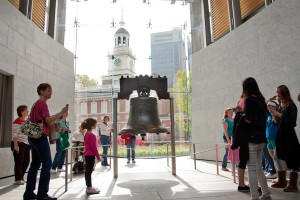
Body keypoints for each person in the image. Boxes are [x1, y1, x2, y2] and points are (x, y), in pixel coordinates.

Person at [23, 83, 68, 200]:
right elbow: (48, 121)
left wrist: (57, 117)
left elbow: (44, 120)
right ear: (42, 91)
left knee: (35, 165)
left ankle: (29, 193)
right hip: (40, 137)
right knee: (47, 163)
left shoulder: (36, 104)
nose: (51, 92)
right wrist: (61, 112)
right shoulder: (42, 104)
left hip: (33, 138)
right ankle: (42, 194)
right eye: (48, 90)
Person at [241, 77, 271, 200]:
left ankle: (255, 197)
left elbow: (248, 119)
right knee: (259, 169)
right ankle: (266, 194)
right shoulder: (261, 100)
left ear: (246, 88)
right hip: (261, 138)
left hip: (252, 139)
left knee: (252, 170)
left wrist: (240, 116)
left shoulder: (249, 100)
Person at [270, 85, 300, 192]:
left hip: (289, 136)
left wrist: (278, 113)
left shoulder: (291, 106)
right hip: (281, 135)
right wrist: (273, 114)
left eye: (278, 92)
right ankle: (282, 180)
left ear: (283, 93)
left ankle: (293, 184)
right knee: (277, 156)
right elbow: (277, 122)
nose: (277, 94)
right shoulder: (280, 106)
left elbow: (292, 123)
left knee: (292, 159)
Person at [11, 105, 30, 185]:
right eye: (26, 110)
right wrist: (16, 145)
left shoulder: (26, 121)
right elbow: (14, 134)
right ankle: (18, 179)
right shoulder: (17, 121)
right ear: (22, 112)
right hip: (19, 144)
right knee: (19, 162)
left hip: (26, 144)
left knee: (26, 161)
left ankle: (21, 177)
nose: (28, 111)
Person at [82, 118, 101, 194]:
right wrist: (98, 157)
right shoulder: (92, 135)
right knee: (89, 171)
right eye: (95, 124)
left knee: (88, 171)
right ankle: (89, 188)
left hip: (87, 155)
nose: (96, 125)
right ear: (92, 126)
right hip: (90, 155)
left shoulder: (86, 134)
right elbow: (94, 148)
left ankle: (89, 186)